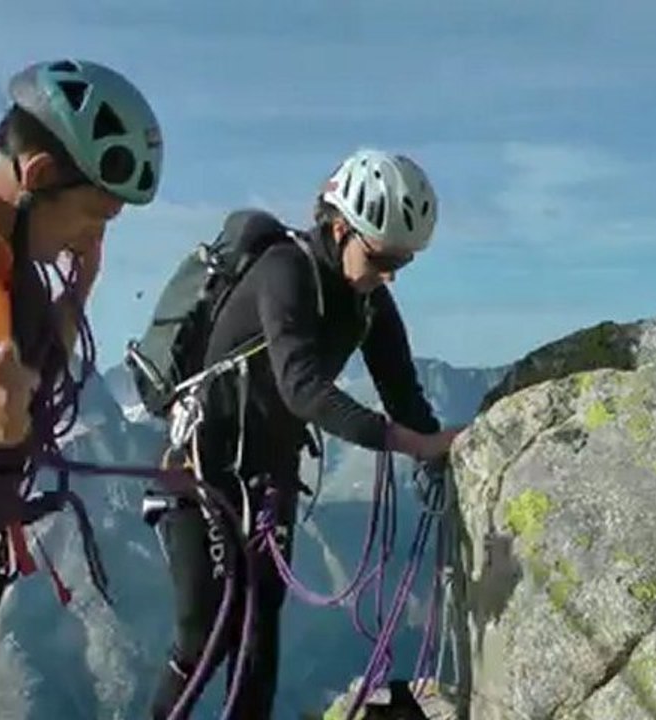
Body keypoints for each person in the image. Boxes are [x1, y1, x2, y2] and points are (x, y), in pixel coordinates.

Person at [151, 148, 462, 719]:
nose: (390, 272)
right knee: (208, 636)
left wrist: (443, 446)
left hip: (268, 478)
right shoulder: (284, 270)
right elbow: (304, 389)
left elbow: (402, 392)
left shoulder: (369, 303)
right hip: (200, 475)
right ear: (340, 226)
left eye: (404, 261)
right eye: (383, 255)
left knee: (259, 633)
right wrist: (414, 444)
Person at [0, 59, 163, 719]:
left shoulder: (6, 260)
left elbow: (29, 376)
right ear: (37, 175)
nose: (95, 236)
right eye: (93, 214)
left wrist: (78, 296)